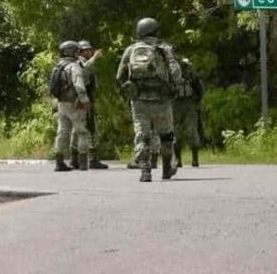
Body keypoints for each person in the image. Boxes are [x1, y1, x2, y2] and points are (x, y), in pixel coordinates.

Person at [116, 18, 181, 182]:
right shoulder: (163, 48)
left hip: (139, 101)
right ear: (156, 31)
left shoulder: (131, 50)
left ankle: (145, 171)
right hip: (162, 99)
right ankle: (166, 169)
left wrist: (130, 88)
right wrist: (175, 86)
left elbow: (119, 76)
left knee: (142, 135)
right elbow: (176, 72)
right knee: (166, 135)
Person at [50, 41, 93, 172]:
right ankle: (83, 163)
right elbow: (79, 86)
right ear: (71, 52)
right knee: (82, 132)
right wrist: (85, 101)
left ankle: (59, 162)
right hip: (75, 104)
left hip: (61, 103)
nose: (78, 53)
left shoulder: (58, 66)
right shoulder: (74, 67)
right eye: (76, 51)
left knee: (62, 132)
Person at [70, 40, 108, 169]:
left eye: (90, 50)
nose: (90, 52)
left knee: (86, 127)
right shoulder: (78, 63)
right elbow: (83, 73)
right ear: (80, 51)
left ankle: (77, 158)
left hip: (88, 97)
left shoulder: (85, 62)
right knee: (87, 128)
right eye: (86, 50)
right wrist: (94, 59)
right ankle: (90, 158)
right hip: (82, 98)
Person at [173, 57, 204, 168]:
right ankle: (178, 159)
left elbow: (199, 87)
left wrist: (197, 102)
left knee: (191, 131)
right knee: (176, 133)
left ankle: (194, 158)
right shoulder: (170, 70)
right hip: (176, 104)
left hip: (188, 104)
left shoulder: (189, 70)